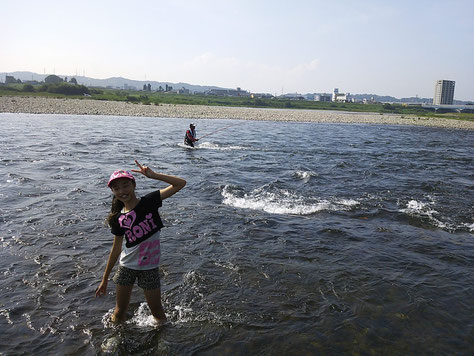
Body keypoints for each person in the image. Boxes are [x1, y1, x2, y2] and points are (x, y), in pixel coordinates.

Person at [95, 160, 186, 325]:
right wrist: (105, 278)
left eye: (125, 185)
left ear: (133, 185)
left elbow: (180, 183)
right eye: (117, 188)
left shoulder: (149, 201)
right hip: (126, 267)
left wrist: (153, 175)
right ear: (113, 191)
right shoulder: (118, 218)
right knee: (119, 312)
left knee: (158, 314)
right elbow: (115, 249)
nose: (122, 190)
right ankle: (115, 340)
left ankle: (161, 344)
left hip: (149, 268)